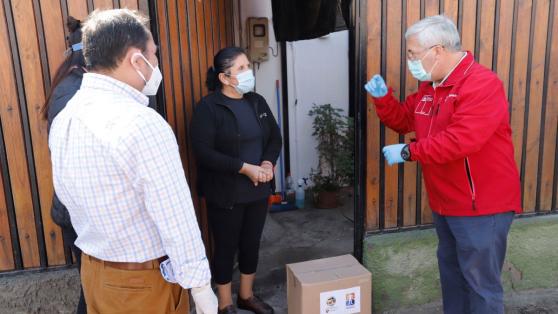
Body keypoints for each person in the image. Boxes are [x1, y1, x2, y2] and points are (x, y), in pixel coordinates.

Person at [49, 9, 217, 314]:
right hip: (142, 282)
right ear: (136, 60)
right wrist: (202, 287)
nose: (156, 63)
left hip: (93, 272)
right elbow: (175, 217)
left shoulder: (67, 115)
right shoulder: (141, 123)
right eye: (153, 55)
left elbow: (67, 196)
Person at [365, 15, 522, 314]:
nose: (409, 60)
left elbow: (461, 140)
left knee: (481, 286)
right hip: (445, 202)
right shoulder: (430, 86)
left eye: (412, 54)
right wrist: (383, 98)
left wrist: (410, 152)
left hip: (481, 206)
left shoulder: (482, 84)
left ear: (436, 50)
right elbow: (403, 120)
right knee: (453, 278)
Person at [190, 47, 282, 314]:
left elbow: (275, 137)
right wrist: (245, 168)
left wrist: (266, 164)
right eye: (241, 69)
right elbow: (205, 153)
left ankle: (246, 295)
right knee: (226, 247)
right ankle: (225, 303)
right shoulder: (208, 107)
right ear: (224, 77)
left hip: (258, 188)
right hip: (226, 193)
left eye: (247, 66)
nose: (248, 72)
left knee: (251, 244)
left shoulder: (256, 101)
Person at [41, 16, 87, 314]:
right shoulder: (74, 88)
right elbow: (79, 154)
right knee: (96, 288)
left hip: (81, 207)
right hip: (80, 209)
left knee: (96, 286)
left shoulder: (78, 81)